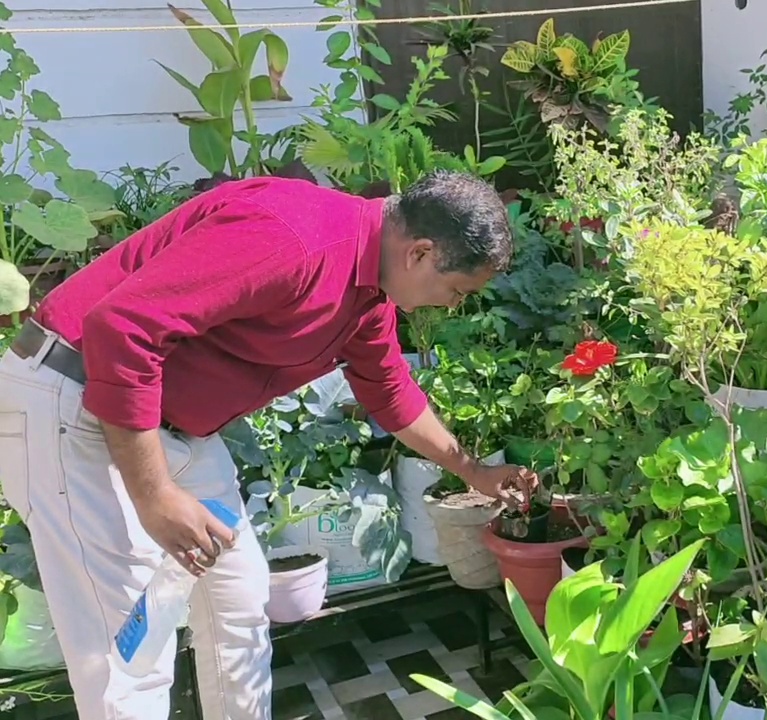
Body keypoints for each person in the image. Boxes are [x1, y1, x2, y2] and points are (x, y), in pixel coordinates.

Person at [0, 171, 539, 720]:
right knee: (130, 650)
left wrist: (474, 472)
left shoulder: (370, 288)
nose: (450, 306)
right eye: (457, 291)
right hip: (75, 400)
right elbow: (123, 329)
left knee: (239, 604)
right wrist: (154, 494)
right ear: (420, 253)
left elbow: (389, 390)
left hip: (173, 423)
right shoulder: (293, 236)